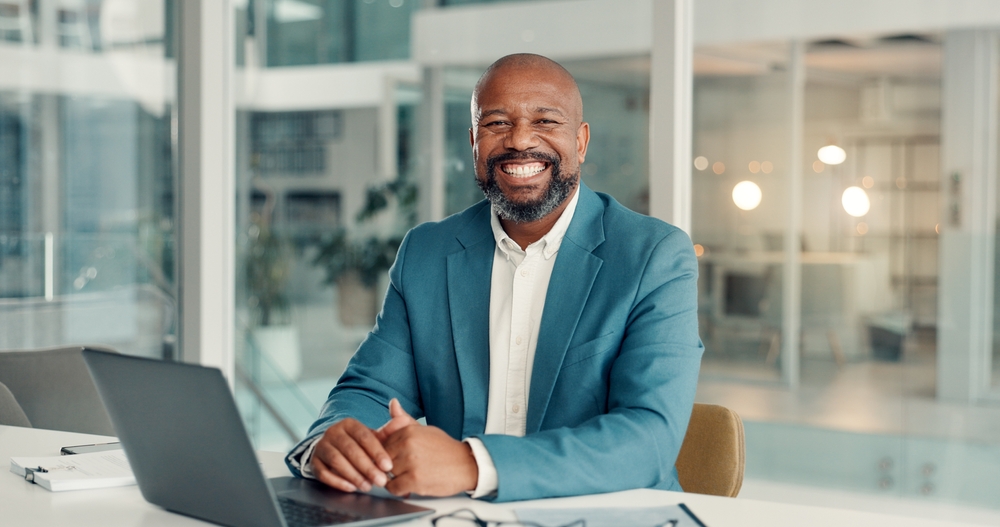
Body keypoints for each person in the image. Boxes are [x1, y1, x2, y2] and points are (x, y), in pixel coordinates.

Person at [285, 53, 703, 502]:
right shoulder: (427, 253)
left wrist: (472, 465)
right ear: (473, 142)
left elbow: (648, 437)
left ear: (580, 142)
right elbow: (372, 389)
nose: (520, 140)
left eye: (545, 121)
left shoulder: (653, 256)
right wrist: (334, 441)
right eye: (497, 123)